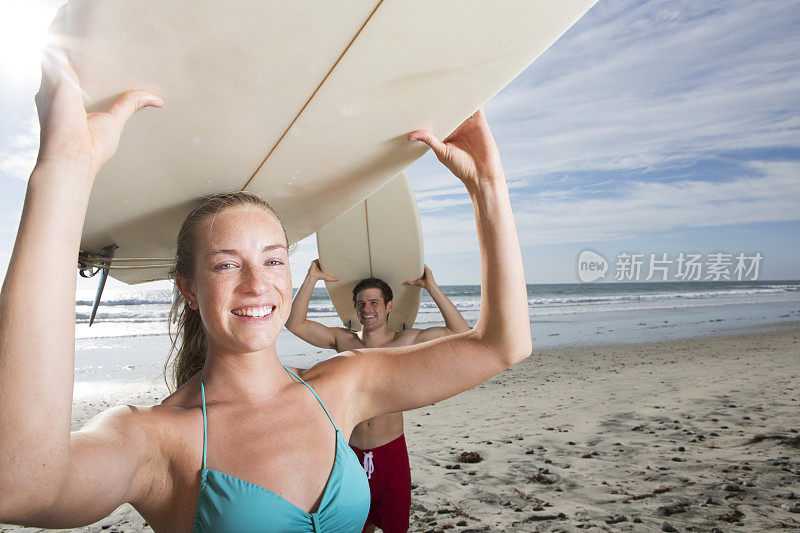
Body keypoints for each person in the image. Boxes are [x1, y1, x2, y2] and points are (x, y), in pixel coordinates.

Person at [0, 15, 531, 532]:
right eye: (227, 264)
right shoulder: (156, 439)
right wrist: (66, 169)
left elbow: (501, 346)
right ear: (186, 285)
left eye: (274, 259)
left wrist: (488, 187)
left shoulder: (348, 383)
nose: (258, 284)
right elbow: (21, 486)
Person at [287, 263, 470, 532]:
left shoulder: (405, 343)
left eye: (374, 302)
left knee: (395, 527)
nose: (367, 309)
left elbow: (460, 332)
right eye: (361, 303)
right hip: (349, 452)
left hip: (390, 453)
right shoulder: (343, 341)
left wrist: (431, 287)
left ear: (388, 307)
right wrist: (311, 278)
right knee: (356, 527)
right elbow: (295, 323)